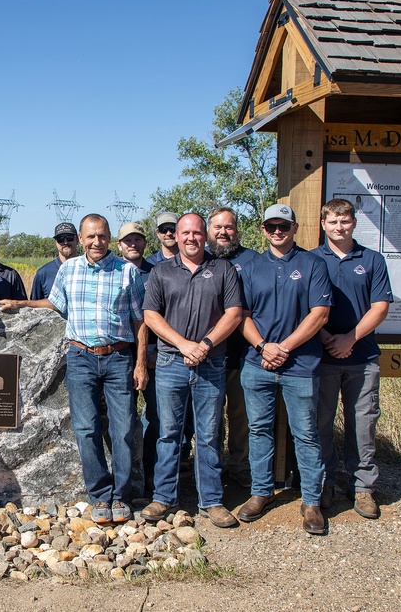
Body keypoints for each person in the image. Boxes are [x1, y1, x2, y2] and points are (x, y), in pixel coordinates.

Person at [0, 214, 147, 524]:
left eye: (102, 236)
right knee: (86, 428)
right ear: (81, 239)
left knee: (123, 429)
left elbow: (140, 321)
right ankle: (99, 495)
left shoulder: (128, 272)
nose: (96, 242)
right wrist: (21, 304)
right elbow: (55, 305)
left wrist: (141, 362)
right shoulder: (69, 270)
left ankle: (121, 496)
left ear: (109, 238)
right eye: (90, 237)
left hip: (119, 357)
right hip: (80, 358)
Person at [141, 213, 243, 528]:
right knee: (168, 433)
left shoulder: (223, 269)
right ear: (177, 236)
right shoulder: (161, 272)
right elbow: (150, 315)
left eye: (197, 233)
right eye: (185, 233)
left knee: (209, 434)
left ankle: (211, 501)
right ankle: (164, 497)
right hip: (172, 362)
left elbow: (235, 313)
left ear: (205, 236)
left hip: (211, 362)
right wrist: (185, 344)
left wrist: (206, 344)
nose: (191, 238)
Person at [238, 203, 332, 535]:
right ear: (263, 230)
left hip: (301, 365)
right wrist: (264, 347)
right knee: (258, 431)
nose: (277, 232)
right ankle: (261, 492)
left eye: (283, 226)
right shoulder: (251, 267)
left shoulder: (313, 264)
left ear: (295, 228)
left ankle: (311, 502)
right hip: (257, 364)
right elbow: (242, 315)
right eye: (271, 227)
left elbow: (320, 314)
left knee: (306, 435)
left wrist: (285, 348)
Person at [312, 198, 392, 519]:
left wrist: (349, 338)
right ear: (323, 225)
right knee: (321, 423)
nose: (339, 227)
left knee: (363, 423)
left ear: (354, 223)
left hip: (363, 357)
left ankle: (363, 487)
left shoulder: (372, 260)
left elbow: (380, 306)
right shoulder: (312, 260)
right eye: (333, 222)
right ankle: (327, 482)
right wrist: (327, 338)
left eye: (344, 221)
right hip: (323, 357)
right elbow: (305, 307)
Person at [206, 207, 259, 487]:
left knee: (241, 416)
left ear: (236, 231)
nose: (223, 232)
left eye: (228, 227)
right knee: (210, 419)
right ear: (208, 231)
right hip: (207, 357)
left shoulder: (253, 261)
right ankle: (211, 467)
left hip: (243, 355)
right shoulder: (199, 259)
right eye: (217, 227)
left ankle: (239, 466)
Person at [116, 222, 157, 496]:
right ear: (119, 245)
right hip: (119, 356)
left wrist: (154, 350)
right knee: (124, 421)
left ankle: (153, 477)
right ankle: (128, 480)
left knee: (157, 418)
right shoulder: (112, 272)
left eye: (137, 239)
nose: (132, 244)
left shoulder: (158, 272)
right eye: (127, 240)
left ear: (145, 243)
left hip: (157, 355)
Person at [30, 222, 78, 300]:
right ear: (55, 242)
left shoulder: (87, 269)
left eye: (70, 238)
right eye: (60, 239)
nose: (65, 242)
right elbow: (34, 305)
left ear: (77, 240)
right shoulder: (43, 273)